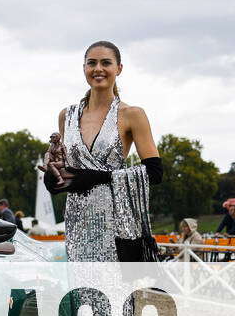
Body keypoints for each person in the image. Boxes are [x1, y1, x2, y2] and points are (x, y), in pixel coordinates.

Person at [43, 40, 163, 262]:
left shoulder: (132, 114)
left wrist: (101, 177)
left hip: (115, 223)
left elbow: (155, 172)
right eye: (92, 63)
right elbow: (68, 170)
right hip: (76, 221)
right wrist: (53, 178)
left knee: (114, 293)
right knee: (80, 290)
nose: (98, 69)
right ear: (84, 69)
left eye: (105, 63)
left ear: (119, 68)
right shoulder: (66, 116)